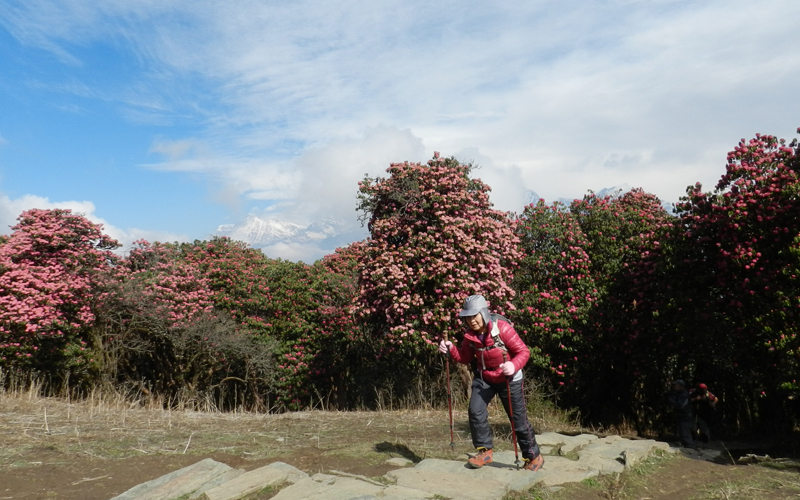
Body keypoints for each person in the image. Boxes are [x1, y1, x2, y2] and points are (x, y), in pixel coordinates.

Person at [438, 294, 544, 472]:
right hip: (485, 378)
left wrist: (512, 364)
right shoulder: (470, 336)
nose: (471, 320)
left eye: (475, 315)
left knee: (517, 421)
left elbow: (523, 352)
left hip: (509, 379)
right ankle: (484, 451)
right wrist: (451, 349)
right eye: (468, 317)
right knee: (475, 410)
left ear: (484, 313)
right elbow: (464, 358)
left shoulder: (502, 328)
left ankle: (534, 456)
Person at [666, 380, 697, 448]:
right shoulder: (679, 393)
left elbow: (681, 405)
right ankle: (685, 443)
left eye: (676, 385)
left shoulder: (684, 394)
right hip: (681, 415)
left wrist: (671, 400)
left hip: (685, 415)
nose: (674, 387)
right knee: (681, 430)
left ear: (680, 386)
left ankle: (689, 444)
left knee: (685, 430)